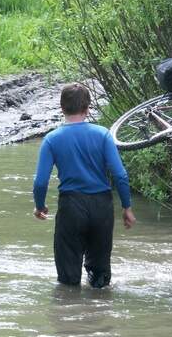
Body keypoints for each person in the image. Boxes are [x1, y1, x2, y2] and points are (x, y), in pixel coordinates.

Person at [32, 83, 136, 288]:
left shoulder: (52, 139)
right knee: (100, 278)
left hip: (71, 206)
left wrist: (39, 205)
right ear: (88, 108)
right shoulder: (103, 134)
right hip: (102, 207)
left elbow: (41, 181)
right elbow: (120, 175)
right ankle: (98, 315)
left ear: (61, 108)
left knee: (67, 280)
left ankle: (70, 315)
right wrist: (127, 207)